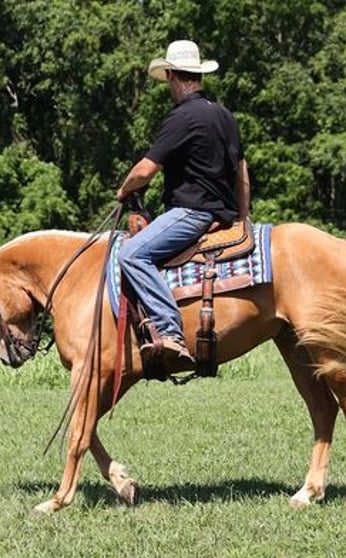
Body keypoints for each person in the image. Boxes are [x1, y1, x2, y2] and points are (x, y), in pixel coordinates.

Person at [116, 40, 251, 374]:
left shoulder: (182, 117)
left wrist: (124, 190)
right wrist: (242, 218)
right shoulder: (224, 115)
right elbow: (242, 174)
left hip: (192, 213)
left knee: (131, 254)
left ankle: (171, 332)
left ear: (174, 76)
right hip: (221, 215)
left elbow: (145, 170)